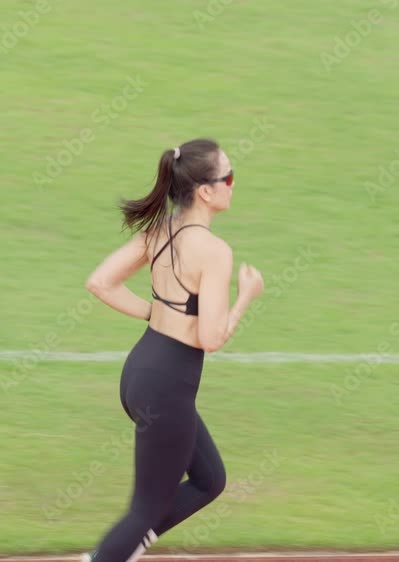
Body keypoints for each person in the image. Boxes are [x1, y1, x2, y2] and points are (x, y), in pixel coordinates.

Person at [82, 138, 265, 562]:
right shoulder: (214, 251)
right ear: (206, 192)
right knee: (145, 510)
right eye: (229, 178)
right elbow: (211, 338)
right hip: (167, 387)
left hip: (141, 372)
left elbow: (100, 282)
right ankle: (110, 554)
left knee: (209, 479)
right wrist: (246, 296)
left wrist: (156, 313)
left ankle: (127, 546)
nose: (234, 185)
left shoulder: (159, 231)